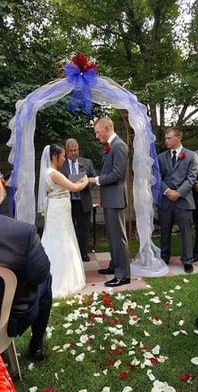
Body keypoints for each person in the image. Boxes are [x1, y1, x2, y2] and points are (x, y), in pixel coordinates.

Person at [0, 147, 52, 362]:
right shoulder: (21, 233)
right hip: (3, 325)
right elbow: (40, 274)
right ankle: (36, 344)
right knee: (46, 281)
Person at [38, 144, 88, 297]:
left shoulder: (50, 172)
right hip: (59, 211)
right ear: (54, 157)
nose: (64, 158)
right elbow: (74, 188)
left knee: (60, 238)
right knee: (61, 240)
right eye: (63, 156)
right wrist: (85, 179)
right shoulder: (54, 173)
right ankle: (61, 280)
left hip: (59, 210)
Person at [88, 117, 131, 287]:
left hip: (116, 199)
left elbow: (117, 174)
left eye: (98, 132)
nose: (97, 136)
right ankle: (115, 266)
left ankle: (124, 274)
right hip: (109, 199)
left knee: (119, 238)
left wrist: (94, 180)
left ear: (107, 128)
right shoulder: (110, 146)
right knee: (112, 238)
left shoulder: (119, 146)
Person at [158, 127, 198, 273]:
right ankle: (164, 257)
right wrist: (168, 191)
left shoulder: (191, 156)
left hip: (184, 200)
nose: (166, 141)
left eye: (169, 138)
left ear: (178, 137)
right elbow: (157, 177)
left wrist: (179, 193)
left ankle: (188, 260)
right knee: (165, 231)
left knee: (186, 232)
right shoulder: (161, 157)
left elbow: (191, 178)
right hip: (166, 200)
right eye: (165, 138)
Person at [60, 138, 96, 262]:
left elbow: (93, 179)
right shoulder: (61, 164)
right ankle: (71, 254)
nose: (74, 153)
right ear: (66, 151)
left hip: (83, 201)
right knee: (69, 229)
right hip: (68, 202)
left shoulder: (87, 162)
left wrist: (84, 184)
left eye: (76, 150)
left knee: (83, 229)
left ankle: (83, 253)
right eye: (71, 151)